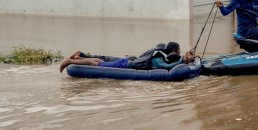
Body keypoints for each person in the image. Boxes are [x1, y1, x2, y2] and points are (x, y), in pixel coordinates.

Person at [59, 42, 195, 73]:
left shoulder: (159, 53)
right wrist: (182, 60)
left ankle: (78, 58)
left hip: (127, 62)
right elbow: (167, 68)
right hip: (126, 65)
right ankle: (70, 61)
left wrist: (183, 59)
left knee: (101, 61)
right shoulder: (158, 59)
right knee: (98, 64)